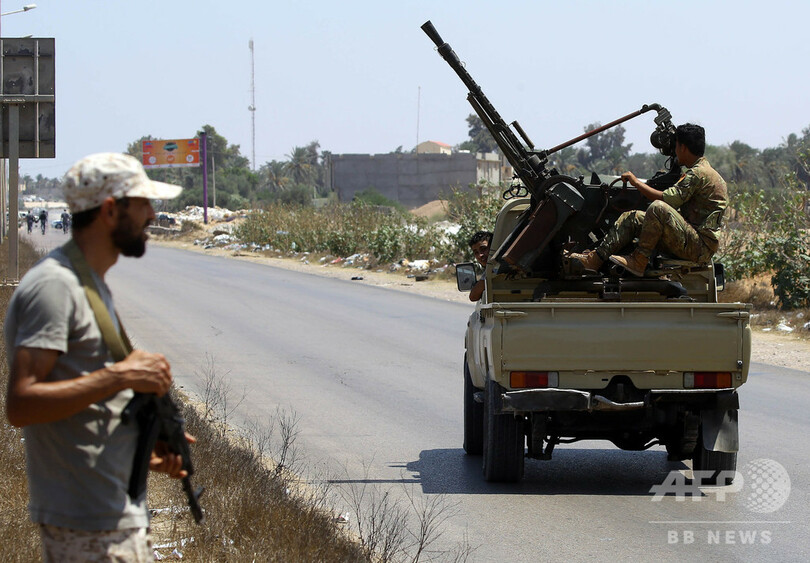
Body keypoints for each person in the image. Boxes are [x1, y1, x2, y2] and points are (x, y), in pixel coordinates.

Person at [4, 153, 188, 562]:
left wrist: (142, 450)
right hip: (88, 526)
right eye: (143, 204)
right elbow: (21, 403)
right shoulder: (55, 287)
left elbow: (84, 403)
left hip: (110, 517)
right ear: (110, 211)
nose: (153, 215)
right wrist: (120, 376)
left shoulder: (90, 284)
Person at [569, 123, 728, 276]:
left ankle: (639, 260)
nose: (675, 151)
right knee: (632, 218)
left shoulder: (699, 174)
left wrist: (636, 182)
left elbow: (667, 199)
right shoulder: (705, 173)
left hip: (698, 247)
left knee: (658, 207)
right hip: (690, 240)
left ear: (683, 147)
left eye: (676, 145)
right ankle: (594, 260)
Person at [468, 230, 493, 301]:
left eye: (483, 249)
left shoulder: (493, 269)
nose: (480, 255)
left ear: (493, 247)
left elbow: (473, 296)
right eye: (476, 252)